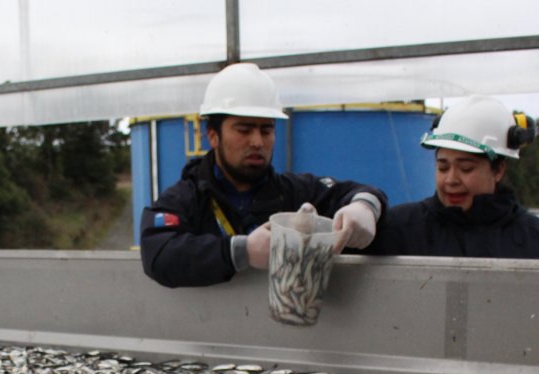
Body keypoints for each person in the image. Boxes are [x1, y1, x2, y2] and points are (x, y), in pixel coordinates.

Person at [139, 63, 388, 288]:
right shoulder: (186, 198)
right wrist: (240, 252)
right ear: (213, 136)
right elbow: (159, 253)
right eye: (244, 130)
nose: (257, 142)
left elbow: (355, 191)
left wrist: (365, 206)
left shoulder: (294, 193)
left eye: (266, 130)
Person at [365, 95, 539, 260]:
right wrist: (363, 203)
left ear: (498, 170)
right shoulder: (399, 231)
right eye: (443, 167)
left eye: (466, 168)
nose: (451, 179)